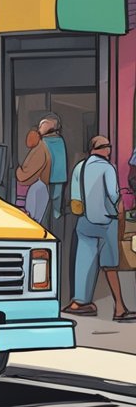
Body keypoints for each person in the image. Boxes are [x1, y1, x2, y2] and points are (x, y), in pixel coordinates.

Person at [63, 136, 136, 321]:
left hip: (85, 221)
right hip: (106, 222)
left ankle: (79, 302)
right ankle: (119, 308)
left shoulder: (80, 167)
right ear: (103, 149)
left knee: (84, 262)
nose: (109, 150)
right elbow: (113, 194)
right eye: (108, 147)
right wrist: (120, 213)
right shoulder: (107, 168)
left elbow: (76, 199)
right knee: (110, 265)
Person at [15, 128, 50, 226]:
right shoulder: (38, 149)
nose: (28, 140)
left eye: (31, 137)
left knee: (31, 220)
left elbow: (26, 174)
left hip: (34, 190)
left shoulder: (40, 151)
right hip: (34, 189)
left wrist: (19, 171)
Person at [38, 114, 69, 227]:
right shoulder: (59, 141)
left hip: (47, 178)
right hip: (58, 177)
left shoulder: (43, 143)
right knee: (55, 205)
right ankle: (55, 223)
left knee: (46, 204)